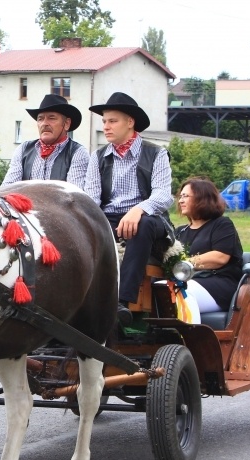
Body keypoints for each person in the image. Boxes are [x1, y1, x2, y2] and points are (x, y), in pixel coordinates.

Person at [77, 92, 174, 326]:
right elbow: (91, 198)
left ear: (130, 122)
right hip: (109, 217)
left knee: (144, 226)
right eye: (104, 121)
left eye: (112, 121)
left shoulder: (156, 153)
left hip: (149, 217)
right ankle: (76, 301)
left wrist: (138, 209)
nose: (106, 127)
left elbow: (163, 194)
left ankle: (122, 301)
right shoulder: (98, 157)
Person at [175, 177, 244, 313]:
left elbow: (220, 258)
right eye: (180, 196)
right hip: (186, 281)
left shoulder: (222, 225)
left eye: (186, 196)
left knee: (182, 294)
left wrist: (183, 264)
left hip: (219, 283)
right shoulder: (179, 232)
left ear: (202, 199)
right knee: (159, 289)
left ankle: (190, 334)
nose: (180, 200)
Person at [1, 94, 89, 186]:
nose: (44, 123)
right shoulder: (23, 149)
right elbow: (8, 188)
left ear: (66, 123)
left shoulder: (77, 152)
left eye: (51, 118)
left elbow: (73, 196)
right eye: (40, 119)